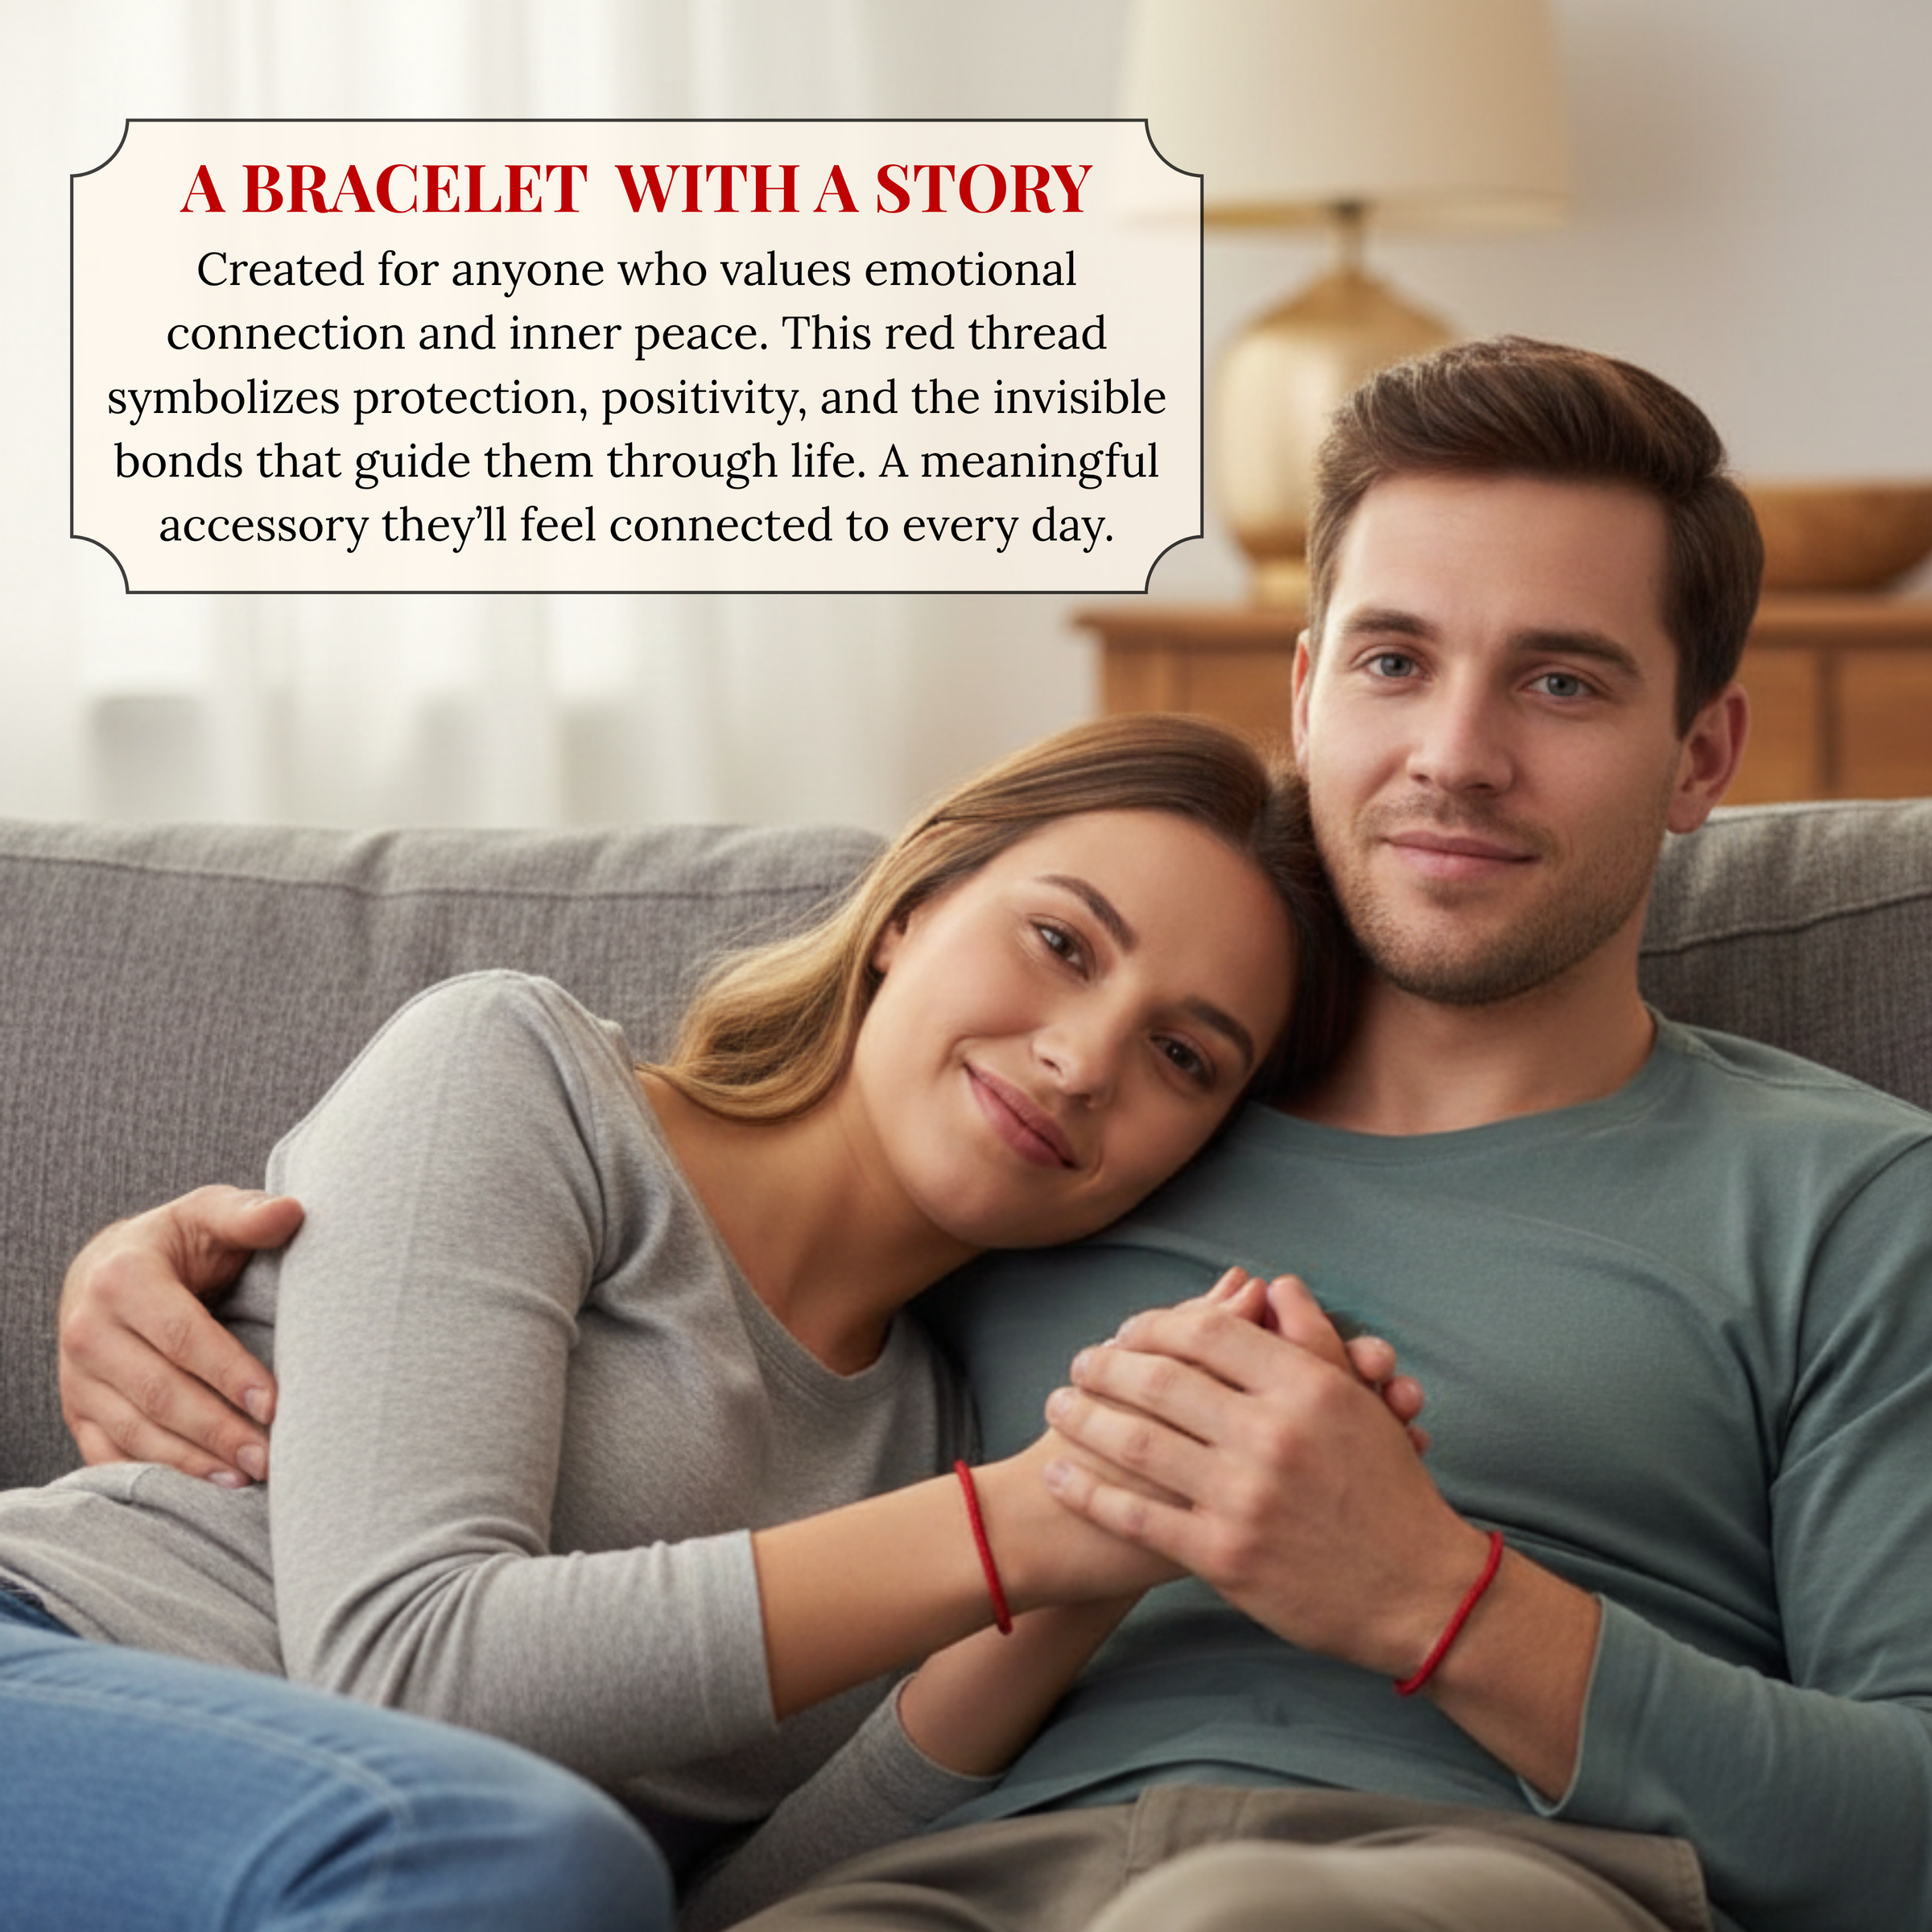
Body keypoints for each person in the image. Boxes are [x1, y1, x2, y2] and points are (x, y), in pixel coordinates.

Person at [60, 336, 1932, 1931]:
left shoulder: (1843, 1200)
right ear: (1303, 695)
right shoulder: (1072, 1158)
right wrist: (194, 1267)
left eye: (1564, 679)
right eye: (1392, 660)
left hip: (1413, 1878)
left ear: (1702, 756)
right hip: (930, 1880)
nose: (1455, 750)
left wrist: (1435, 1600)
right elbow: (646, 1284)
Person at [6, 714, 1414, 1932]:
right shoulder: (519, 1074)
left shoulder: (936, 1441)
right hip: (68, 1664)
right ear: (915, 905)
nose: (1083, 1056)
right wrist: (1017, 1526)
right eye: (1059, 942)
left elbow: (736, 1913)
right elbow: (402, 1664)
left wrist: (1091, 1576)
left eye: (1184, 1056)